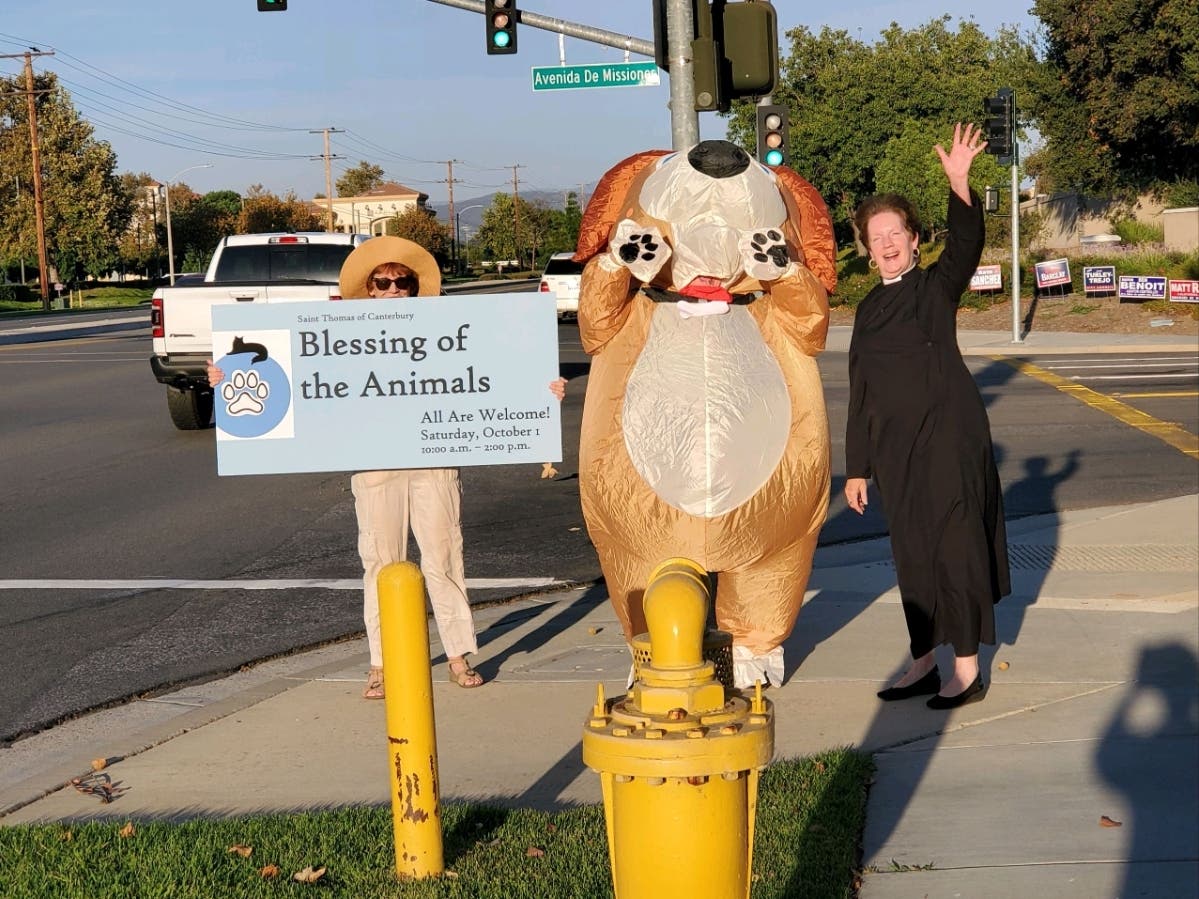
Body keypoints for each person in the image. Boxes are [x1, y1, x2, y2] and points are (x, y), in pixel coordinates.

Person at [208, 236, 566, 699]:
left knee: (445, 556)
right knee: (380, 562)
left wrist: (543, 392)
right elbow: (289, 373)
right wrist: (224, 376)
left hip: (436, 460)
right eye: (384, 281)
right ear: (370, 288)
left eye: (404, 281)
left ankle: (457, 654)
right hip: (375, 464)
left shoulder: (451, 326)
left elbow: (499, 371)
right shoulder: (337, 332)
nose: (395, 288)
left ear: (416, 288)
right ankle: (381, 663)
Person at [844, 122, 1011, 710]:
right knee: (912, 555)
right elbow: (860, 391)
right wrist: (857, 468)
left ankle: (966, 669)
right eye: (876, 235)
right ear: (866, 247)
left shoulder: (935, 289)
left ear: (915, 239)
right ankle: (923, 662)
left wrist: (959, 182)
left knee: (956, 549)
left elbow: (965, 246)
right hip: (896, 454)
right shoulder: (865, 312)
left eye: (896, 232)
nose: (887, 242)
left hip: (949, 441)